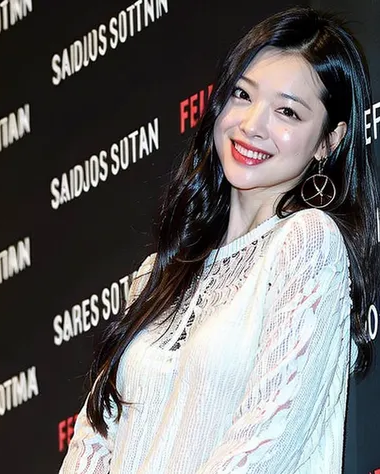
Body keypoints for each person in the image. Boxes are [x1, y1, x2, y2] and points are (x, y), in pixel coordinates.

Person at [59, 6, 379, 473]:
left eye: (287, 111)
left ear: (328, 141)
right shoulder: (159, 271)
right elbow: (94, 436)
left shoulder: (306, 243)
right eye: (242, 95)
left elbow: (267, 439)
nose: (252, 124)